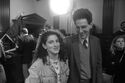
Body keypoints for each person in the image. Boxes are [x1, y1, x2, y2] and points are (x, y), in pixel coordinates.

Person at [64, 8, 102, 83]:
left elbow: (98, 65)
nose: (80, 31)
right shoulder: (68, 42)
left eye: (83, 27)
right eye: (77, 27)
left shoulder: (96, 41)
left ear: (90, 25)